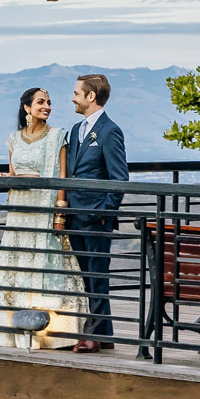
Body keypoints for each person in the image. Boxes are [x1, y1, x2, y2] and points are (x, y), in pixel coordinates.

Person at [0, 87, 88, 350]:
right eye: (41, 102)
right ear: (27, 108)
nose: (47, 106)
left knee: (46, 263)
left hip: (44, 209)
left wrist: (60, 212)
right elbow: (15, 175)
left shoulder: (58, 137)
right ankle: (14, 329)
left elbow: (61, 178)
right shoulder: (14, 139)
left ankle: (50, 333)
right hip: (20, 212)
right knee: (17, 265)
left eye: (49, 102)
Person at [62, 73, 128, 352]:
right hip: (75, 216)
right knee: (87, 277)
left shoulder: (109, 131)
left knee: (98, 277)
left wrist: (105, 212)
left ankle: (91, 335)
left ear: (91, 96)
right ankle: (105, 335)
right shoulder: (76, 129)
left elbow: (119, 178)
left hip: (96, 218)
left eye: (77, 93)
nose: (73, 97)